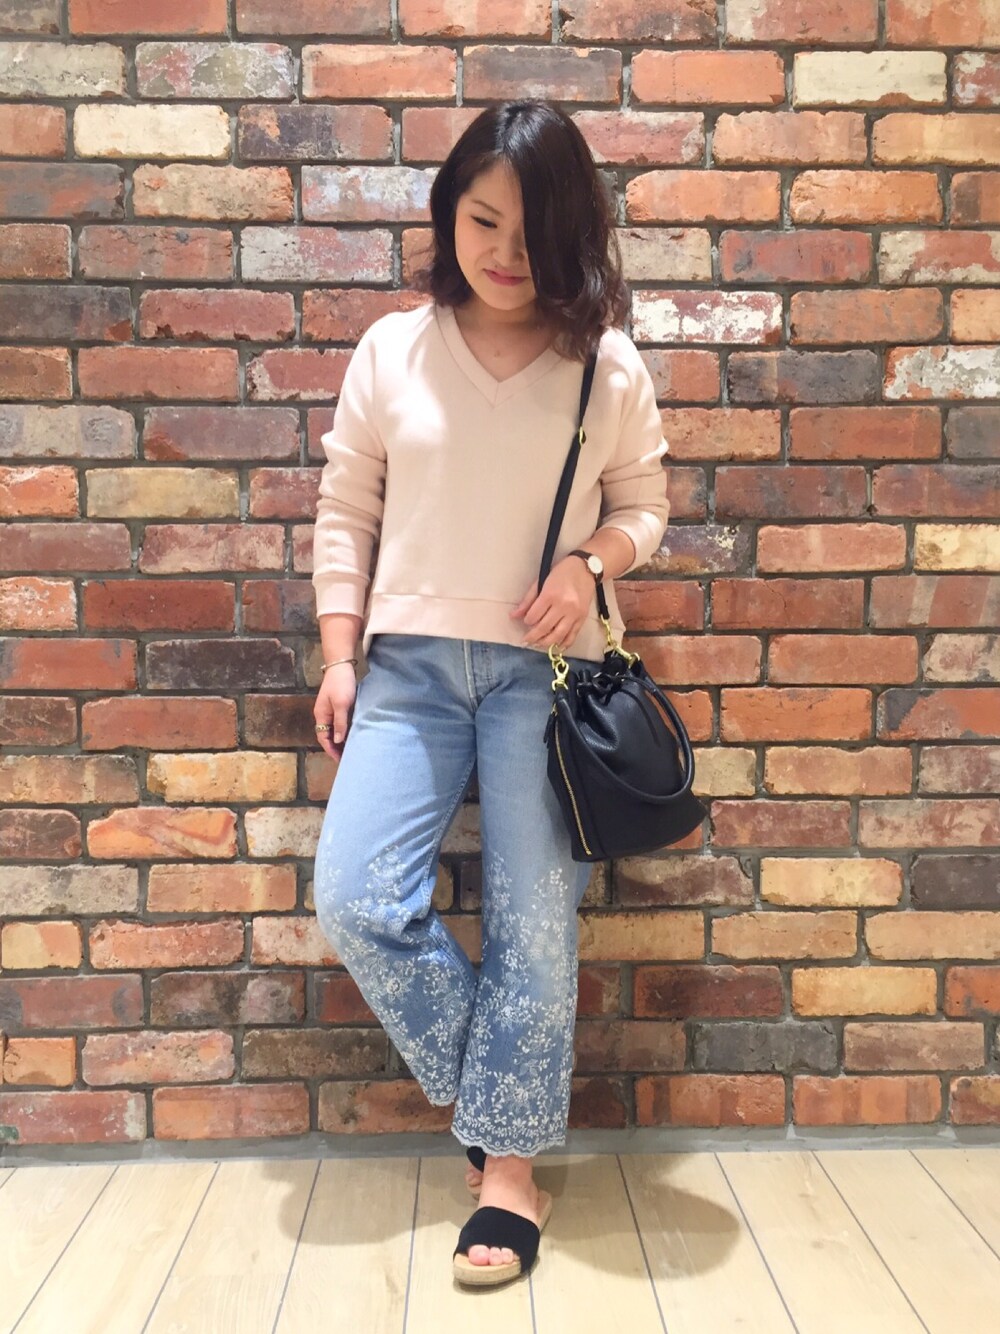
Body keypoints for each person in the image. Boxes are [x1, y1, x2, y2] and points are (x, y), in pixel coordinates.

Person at [310, 99, 670, 1287]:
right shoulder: (392, 350)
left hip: (546, 679)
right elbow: (346, 509)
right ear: (446, 214)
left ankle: (506, 1172)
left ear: (574, 232)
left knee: (533, 924)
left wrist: (588, 564)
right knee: (357, 897)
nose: (504, 252)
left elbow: (644, 506)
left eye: (531, 230)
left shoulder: (603, 364)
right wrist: (340, 649)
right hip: (409, 671)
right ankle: (497, 1096)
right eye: (480, 221)